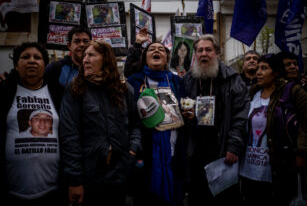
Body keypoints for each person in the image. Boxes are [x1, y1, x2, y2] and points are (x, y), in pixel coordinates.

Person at [59, 40, 141, 206]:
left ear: (105, 59)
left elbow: (136, 126)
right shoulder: (75, 88)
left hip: (119, 174)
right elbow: (69, 136)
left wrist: (131, 153)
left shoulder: (124, 90)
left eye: (91, 55)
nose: (85, 60)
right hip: (89, 177)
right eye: (84, 56)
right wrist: (75, 179)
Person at [182, 34, 250, 206]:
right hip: (195, 151)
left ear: (217, 53)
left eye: (208, 50)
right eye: (199, 50)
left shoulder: (233, 80)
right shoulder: (188, 80)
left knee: (222, 198)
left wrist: (233, 146)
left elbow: (241, 116)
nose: (204, 54)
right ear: (195, 55)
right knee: (197, 197)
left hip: (222, 152)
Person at [0, 42, 65, 206]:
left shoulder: (59, 93)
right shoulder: (4, 92)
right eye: (25, 57)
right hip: (12, 191)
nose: (32, 61)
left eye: (37, 57)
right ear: (16, 64)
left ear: (45, 64)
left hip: (53, 190)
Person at [240, 53, 307, 206]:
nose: (258, 72)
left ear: (276, 71)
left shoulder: (292, 92)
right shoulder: (252, 93)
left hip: (277, 168)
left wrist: (302, 151)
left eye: (264, 68)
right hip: (249, 170)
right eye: (257, 68)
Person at [127, 42, 186, 206]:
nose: (156, 51)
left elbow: (187, 109)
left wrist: (190, 114)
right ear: (145, 57)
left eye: (161, 49)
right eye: (152, 49)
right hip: (144, 157)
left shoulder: (176, 81)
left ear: (166, 57)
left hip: (173, 155)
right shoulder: (134, 82)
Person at [44, 26, 92, 101]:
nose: (82, 44)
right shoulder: (55, 68)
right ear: (69, 46)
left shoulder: (98, 69)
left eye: (85, 41)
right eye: (77, 41)